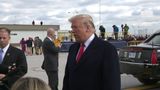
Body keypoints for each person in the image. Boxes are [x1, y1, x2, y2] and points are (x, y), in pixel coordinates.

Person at [62, 14, 120, 90]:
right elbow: (67, 77)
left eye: (75, 27)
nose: (72, 31)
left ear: (88, 28)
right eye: (72, 28)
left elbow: (112, 84)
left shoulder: (107, 50)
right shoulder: (73, 48)